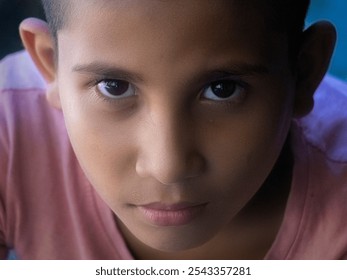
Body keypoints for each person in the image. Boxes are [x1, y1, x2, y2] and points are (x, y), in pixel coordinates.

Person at [0, 0, 346, 260]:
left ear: (303, 74)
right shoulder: (10, 132)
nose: (167, 167)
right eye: (114, 86)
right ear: (49, 63)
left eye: (223, 89)